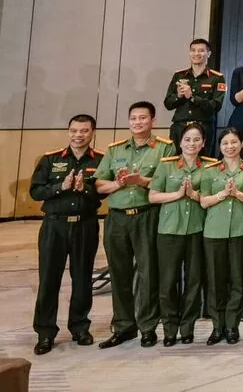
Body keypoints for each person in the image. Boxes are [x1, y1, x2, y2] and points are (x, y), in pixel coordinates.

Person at [94, 101, 175, 349]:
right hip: (117, 218)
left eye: (143, 118)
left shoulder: (165, 147)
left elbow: (169, 182)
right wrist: (118, 184)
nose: (137, 122)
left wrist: (141, 181)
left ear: (153, 120)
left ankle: (148, 327)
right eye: (133, 118)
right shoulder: (115, 150)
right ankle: (123, 326)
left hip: (146, 215)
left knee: (147, 273)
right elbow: (99, 185)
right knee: (119, 274)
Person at [30, 114, 105, 355]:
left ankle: (80, 328)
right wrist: (59, 187)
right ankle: (45, 332)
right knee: (48, 280)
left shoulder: (101, 160)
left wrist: (85, 190)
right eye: (74, 131)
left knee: (82, 279)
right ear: (68, 132)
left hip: (85, 225)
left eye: (84, 131)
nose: (78, 135)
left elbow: (104, 193)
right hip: (55, 226)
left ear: (92, 133)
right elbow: (35, 192)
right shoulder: (51, 159)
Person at [148, 124, 214, 346]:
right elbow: (153, 196)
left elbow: (212, 197)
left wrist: (194, 195)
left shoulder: (210, 167)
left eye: (196, 140)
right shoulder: (167, 165)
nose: (191, 144)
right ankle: (169, 328)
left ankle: (187, 328)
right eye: (187, 139)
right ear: (180, 142)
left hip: (197, 229)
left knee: (193, 281)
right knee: (168, 282)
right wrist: (177, 195)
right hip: (169, 230)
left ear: (203, 143)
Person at [199, 128, 243, 346]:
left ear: (241, 144)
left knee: (238, 280)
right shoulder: (210, 171)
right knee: (216, 280)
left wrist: (237, 194)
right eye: (225, 143)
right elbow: (204, 201)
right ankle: (217, 325)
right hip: (214, 231)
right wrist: (222, 194)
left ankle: (232, 325)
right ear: (220, 146)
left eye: (233, 142)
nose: (229, 147)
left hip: (240, 230)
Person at [164, 38, 226, 156]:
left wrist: (192, 97)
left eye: (201, 51)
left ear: (208, 54)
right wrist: (179, 96)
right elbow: (168, 104)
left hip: (203, 126)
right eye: (193, 50)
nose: (196, 54)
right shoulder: (179, 75)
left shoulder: (217, 78)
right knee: (175, 160)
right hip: (180, 126)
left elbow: (216, 106)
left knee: (204, 161)